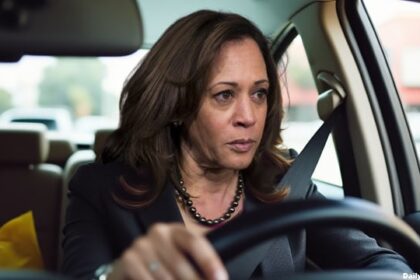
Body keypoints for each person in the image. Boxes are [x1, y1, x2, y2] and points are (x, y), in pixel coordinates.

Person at [61, 10, 413, 280]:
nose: (248, 116)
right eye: (224, 95)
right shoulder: (100, 190)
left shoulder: (288, 184)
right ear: (177, 106)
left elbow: (384, 266)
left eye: (259, 93)